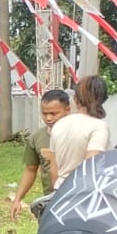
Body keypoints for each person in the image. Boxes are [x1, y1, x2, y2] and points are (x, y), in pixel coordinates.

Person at [10, 88, 71, 219]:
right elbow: (30, 170)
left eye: (54, 113)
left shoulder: (79, 134)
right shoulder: (36, 138)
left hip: (77, 198)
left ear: (68, 110)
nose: (48, 118)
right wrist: (18, 199)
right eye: (44, 113)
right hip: (50, 200)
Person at [48, 74, 111, 184]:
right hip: (83, 189)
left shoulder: (59, 124)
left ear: (75, 98)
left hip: (60, 188)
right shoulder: (99, 127)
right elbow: (90, 166)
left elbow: (53, 169)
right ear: (103, 99)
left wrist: (57, 190)